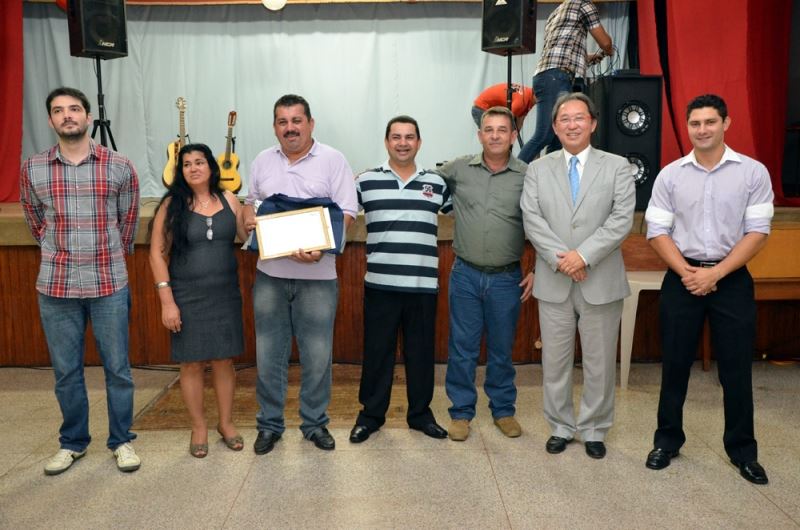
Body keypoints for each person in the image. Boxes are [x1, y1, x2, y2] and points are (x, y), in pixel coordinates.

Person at [643, 94, 774, 485]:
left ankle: (743, 451)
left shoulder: (752, 172)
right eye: (695, 123)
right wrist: (688, 272)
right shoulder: (671, 175)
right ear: (688, 127)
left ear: (726, 124)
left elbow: (758, 232)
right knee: (675, 364)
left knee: (736, 370)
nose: (702, 130)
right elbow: (656, 231)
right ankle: (667, 441)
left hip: (731, 279)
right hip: (682, 277)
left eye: (710, 122)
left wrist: (715, 274)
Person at [19, 87, 141, 474]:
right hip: (56, 287)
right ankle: (73, 442)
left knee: (118, 369)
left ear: (88, 117)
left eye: (74, 109)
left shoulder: (119, 165)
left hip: (108, 283)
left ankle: (122, 441)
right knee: (66, 371)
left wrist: (102, 254)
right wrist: (61, 250)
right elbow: (35, 220)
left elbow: (128, 223)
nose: (67, 115)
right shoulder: (33, 168)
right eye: (58, 110)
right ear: (51, 120)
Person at [521, 92, 635, 459]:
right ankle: (560, 426)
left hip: (600, 279)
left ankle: (594, 428)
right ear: (554, 127)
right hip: (554, 280)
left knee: (600, 361)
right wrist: (564, 260)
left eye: (579, 118)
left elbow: (621, 220)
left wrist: (583, 255)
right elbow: (532, 219)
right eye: (564, 119)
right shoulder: (537, 169)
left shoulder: (618, 166)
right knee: (554, 361)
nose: (572, 124)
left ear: (593, 123)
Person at [242, 94, 358, 454]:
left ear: (310, 123)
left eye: (296, 120)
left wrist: (320, 248)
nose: (290, 128)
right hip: (270, 275)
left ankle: (314, 423)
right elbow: (251, 205)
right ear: (275, 126)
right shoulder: (262, 160)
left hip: (318, 278)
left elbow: (348, 216)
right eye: (282, 121)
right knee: (268, 354)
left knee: (317, 355)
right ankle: (270, 425)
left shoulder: (333, 160)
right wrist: (247, 219)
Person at [349, 116, 451, 444]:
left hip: (422, 286)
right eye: (396, 137)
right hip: (380, 284)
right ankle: (371, 415)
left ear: (419, 143)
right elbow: (341, 212)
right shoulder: (365, 182)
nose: (403, 142)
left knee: (421, 353)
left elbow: (460, 211)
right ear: (386, 142)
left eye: (409, 137)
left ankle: (420, 414)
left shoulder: (437, 183)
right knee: (377, 352)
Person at [437, 106, 534, 442]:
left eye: (502, 130)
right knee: (461, 348)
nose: (494, 135)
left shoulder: (527, 175)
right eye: (488, 129)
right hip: (465, 275)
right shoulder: (458, 169)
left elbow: (543, 224)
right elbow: (425, 184)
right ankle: (461, 413)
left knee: (501, 348)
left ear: (512, 135)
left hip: (507, 278)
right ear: (480, 135)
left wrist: (535, 267)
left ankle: (503, 410)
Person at [149, 143, 248, 458]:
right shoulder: (171, 205)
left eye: (199, 162)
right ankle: (199, 427)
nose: (193, 168)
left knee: (223, 359)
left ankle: (226, 423)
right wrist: (167, 300)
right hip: (186, 295)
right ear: (180, 171)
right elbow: (156, 253)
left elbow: (247, 239)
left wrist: (257, 219)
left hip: (224, 294)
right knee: (190, 362)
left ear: (211, 167)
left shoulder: (229, 199)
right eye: (187, 163)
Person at [518, 0, 612, 163]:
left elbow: (562, 51)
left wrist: (588, 58)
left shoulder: (556, 12)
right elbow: (605, 42)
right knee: (545, 134)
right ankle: (513, 178)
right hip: (556, 77)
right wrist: (609, 50)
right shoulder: (584, 4)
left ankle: (553, 181)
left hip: (548, 76)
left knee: (557, 139)